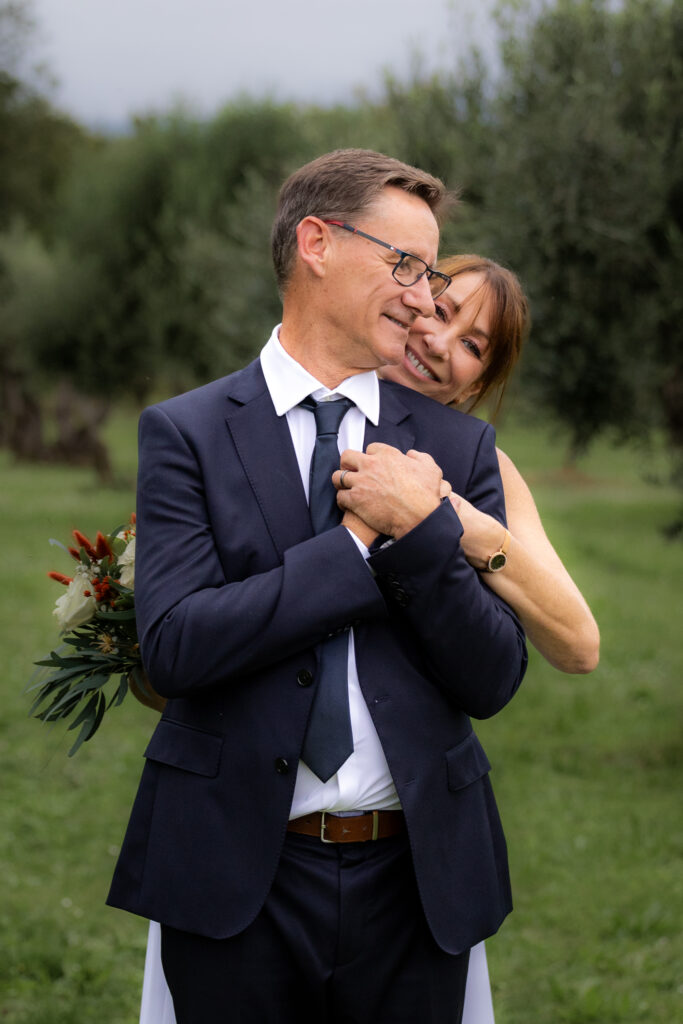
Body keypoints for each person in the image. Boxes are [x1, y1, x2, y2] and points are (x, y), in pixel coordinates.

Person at [108, 149, 529, 1024]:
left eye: (428, 271)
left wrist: (421, 533)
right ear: (317, 242)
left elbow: (492, 678)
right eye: (403, 264)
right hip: (234, 874)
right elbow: (178, 646)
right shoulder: (186, 433)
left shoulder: (456, 452)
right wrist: (355, 544)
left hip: (415, 883)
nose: (422, 297)